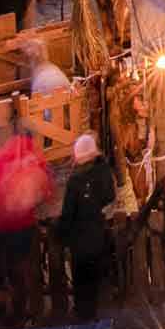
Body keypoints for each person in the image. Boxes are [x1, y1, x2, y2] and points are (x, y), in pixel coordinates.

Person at [57, 133, 118, 319]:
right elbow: (110, 197)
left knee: (82, 284)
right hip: (99, 235)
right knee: (97, 280)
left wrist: (61, 235)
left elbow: (68, 214)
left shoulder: (75, 181)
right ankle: (100, 316)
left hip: (80, 241)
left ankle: (85, 319)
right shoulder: (105, 170)